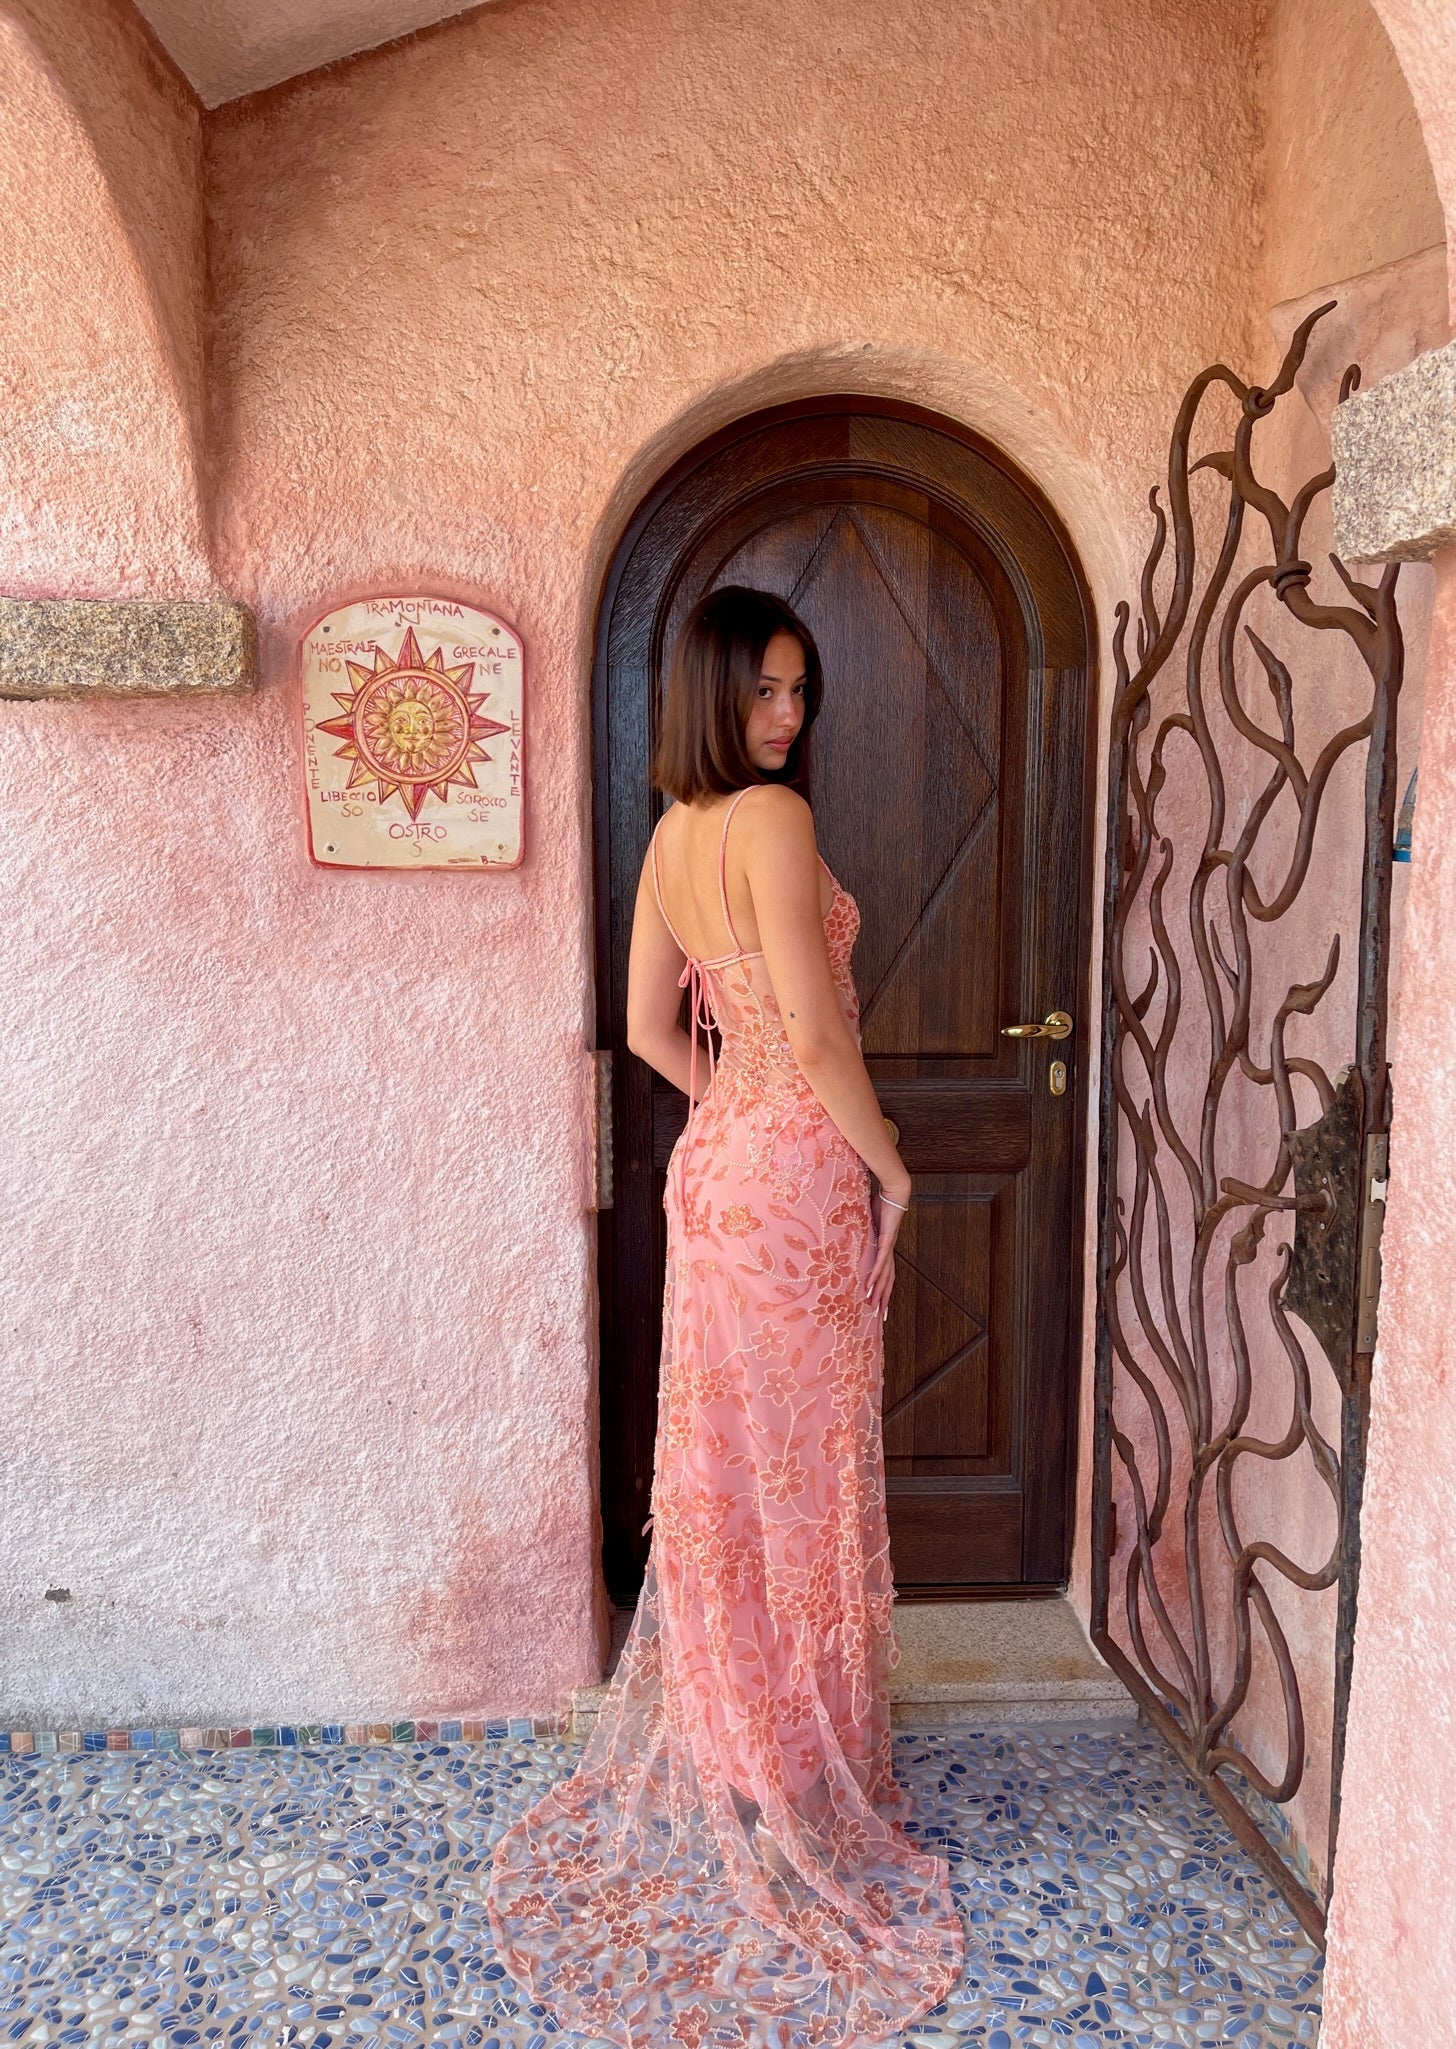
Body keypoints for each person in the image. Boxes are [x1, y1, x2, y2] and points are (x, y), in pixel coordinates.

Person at [485, 586, 964, 2048]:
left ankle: (747, 1750)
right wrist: (889, 1164)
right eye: (765, 689)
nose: (788, 715)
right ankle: (792, 1763)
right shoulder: (768, 819)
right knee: (796, 1468)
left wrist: (739, 1109)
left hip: (716, 1170)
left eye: (799, 691)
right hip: (798, 1174)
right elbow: (814, 1031)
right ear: (711, 691)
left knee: (728, 1467)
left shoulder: (671, 837)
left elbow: (649, 1029)